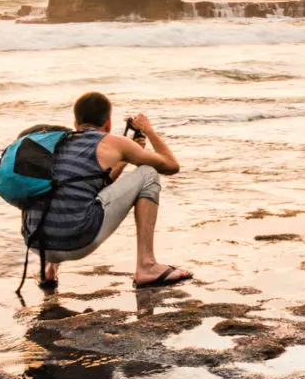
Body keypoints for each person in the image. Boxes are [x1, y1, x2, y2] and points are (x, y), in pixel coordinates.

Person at [24, 92, 192, 290]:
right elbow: (171, 166)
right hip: (77, 242)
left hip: (36, 244)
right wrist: (148, 130)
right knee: (148, 174)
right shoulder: (114, 143)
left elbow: (96, 186)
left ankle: (48, 269)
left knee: (62, 189)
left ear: (75, 122)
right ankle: (147, 265)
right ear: (109, 123)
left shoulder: (57, 143)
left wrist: (124, 158)